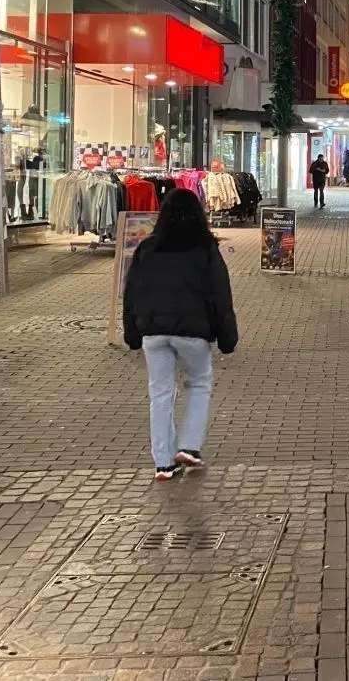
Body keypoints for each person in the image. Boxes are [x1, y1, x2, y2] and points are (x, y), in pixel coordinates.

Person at [123, 189, 238, 481]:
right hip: (193, 331)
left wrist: (132, 333)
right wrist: (227, 337)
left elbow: (131, 293)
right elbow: (220, 295)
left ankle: (163, 463)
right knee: (199, 383)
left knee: (160, 393)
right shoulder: (205, 248)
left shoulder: (147, 248)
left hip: (153, 332)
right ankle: (189, 445)